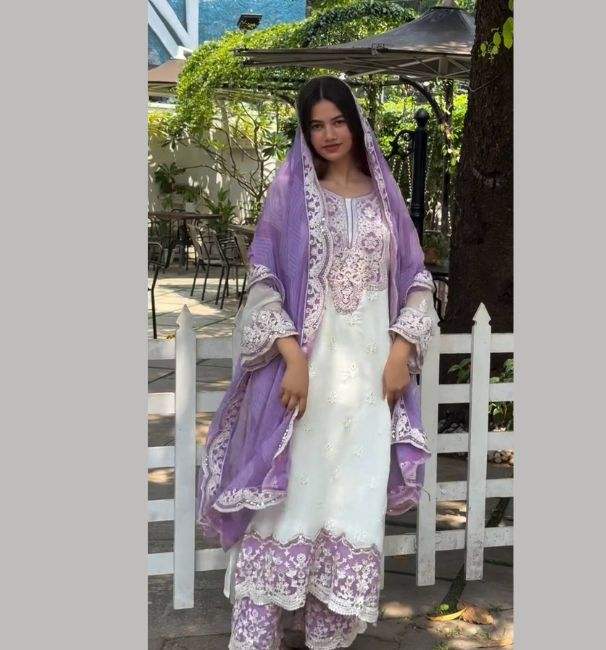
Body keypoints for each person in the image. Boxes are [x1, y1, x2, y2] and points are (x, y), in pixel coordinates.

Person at [197, 76, 436, 650]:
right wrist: (292, 358)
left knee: (350, 500)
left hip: (370, 383)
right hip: (305, 379)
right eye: (316, 125)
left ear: (356, 124)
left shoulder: (385, 200)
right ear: (305, 134)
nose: (329, 134)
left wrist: (400, 352)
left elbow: (417, 281)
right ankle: (258, 635)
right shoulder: (292, 198)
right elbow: (262, 278)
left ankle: (326, 637)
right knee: (288, 501)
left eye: (338, 121)